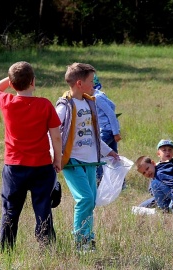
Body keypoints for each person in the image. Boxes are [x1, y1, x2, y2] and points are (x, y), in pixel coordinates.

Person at [0, 61, 62, 251]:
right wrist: (57, 159)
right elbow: (56, 136)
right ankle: (46, 248)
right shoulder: (45, 105)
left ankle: (6, 249)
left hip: (14, 167)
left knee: (10, 210)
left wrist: (12, 79)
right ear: (33, 81)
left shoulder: (6, 102)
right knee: (43, 209)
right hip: (42, 166)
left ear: (12, 85)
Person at [56, 63, 118, 252]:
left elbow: (94, 135)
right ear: (80, 83)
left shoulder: (90, 102)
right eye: (92, 81)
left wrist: (108, 151)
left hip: (91, 161)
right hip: (71, 161)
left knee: (91, 201)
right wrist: (55, 157)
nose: (94, 85)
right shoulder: (65, 106)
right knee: (85, 199)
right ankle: (80, 241)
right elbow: (53, 133)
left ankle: (88, 239)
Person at [93, 73, 122, 186]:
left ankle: (99, 181)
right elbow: (113, 105)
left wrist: (116, 132)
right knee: (114, 157)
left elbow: (111, 113)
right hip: (108, 130)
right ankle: (120, 183)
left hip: (106, 131)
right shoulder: (100, 95)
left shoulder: (97, 97)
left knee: (97, 153)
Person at [139, 139, 173, 208]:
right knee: (141, 207)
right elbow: (151, 186)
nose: (167, 152)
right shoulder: (155, 167)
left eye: (170, 150)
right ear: (158, 154)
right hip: (160, 195)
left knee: (171, 207)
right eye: (164, 150)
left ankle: (167, 209)